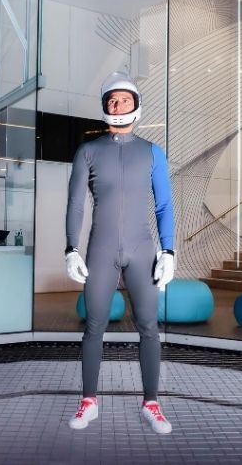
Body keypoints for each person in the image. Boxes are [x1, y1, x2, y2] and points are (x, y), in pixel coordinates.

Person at [64, 72, 176, 434]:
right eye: (112, 100)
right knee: (94, 325)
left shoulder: (152, 152)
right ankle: (88, 401)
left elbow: (164, 206)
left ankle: (152, 403)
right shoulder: (88, 151)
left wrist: (169, 251)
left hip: (143, 249)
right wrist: (71, 248)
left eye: (125, 99)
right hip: (101, 248)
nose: (118, 105)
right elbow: (76, 205)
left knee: (148, 326)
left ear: (136, 105)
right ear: (104, 107)